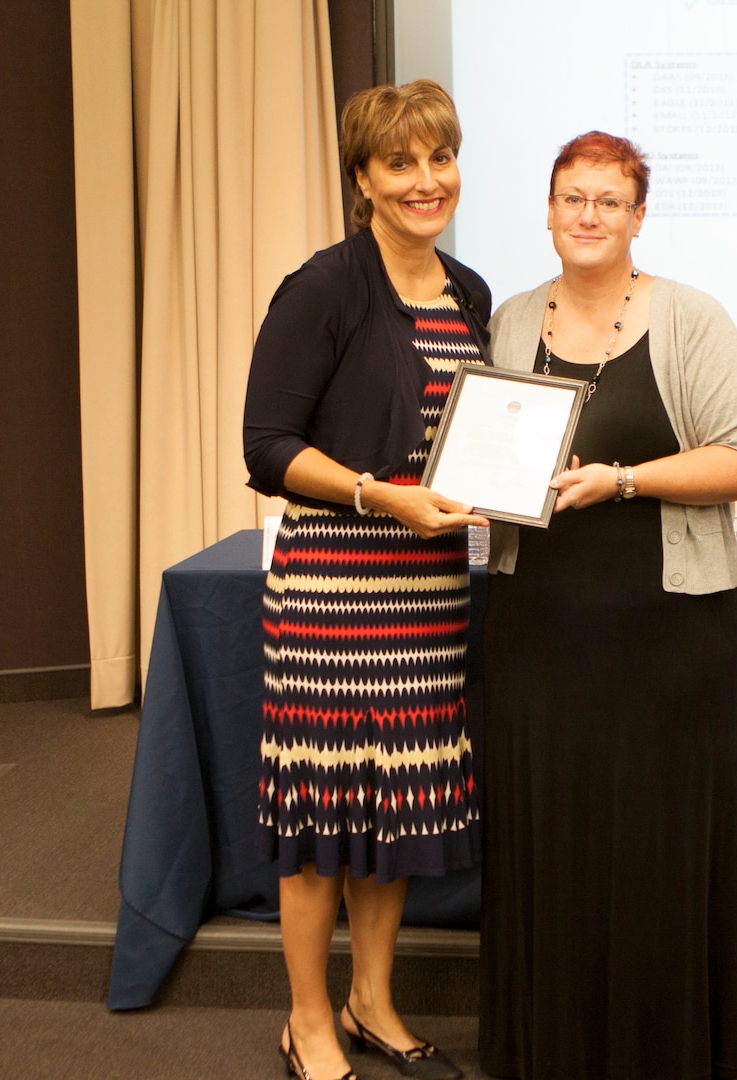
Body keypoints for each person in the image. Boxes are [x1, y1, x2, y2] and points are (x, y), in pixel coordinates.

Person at [478, 131, 737, 1080]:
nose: (587, 215)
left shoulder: (691, 317)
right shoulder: (510, 319)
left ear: (638, 216)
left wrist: (624, 479)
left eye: (608, 200)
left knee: (651, 853)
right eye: (572, 197)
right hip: (535, 633)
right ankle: (552, 1051)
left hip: (667, 641)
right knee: (550, 844)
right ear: (547, 209)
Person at [243, 79, 490, 1080]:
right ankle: (308, 1023)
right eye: (401, 164)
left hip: (430, 596)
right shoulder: (325, 288)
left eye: (439, 159)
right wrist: (382, 498)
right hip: (335, 596)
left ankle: (372, 999)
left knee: (398, 812)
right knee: (323, 820)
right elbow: (269, 449)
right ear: (364, 179)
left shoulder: (467, 292)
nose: (425, 181)